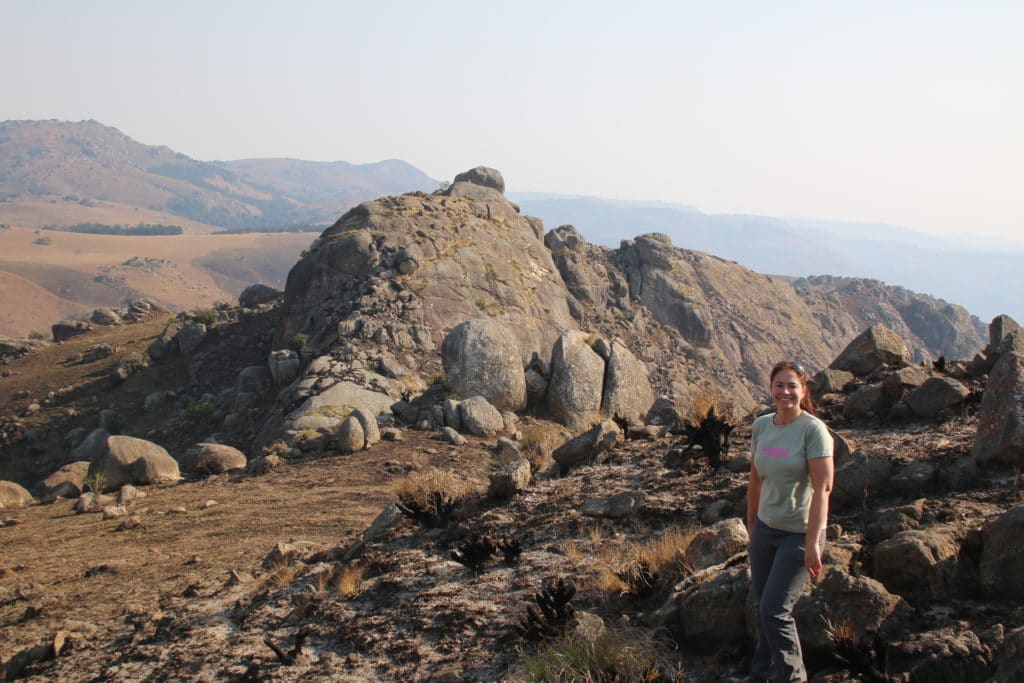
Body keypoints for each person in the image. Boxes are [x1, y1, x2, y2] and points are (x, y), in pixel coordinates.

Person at [746, 361, 834, 682]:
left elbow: (824, 488)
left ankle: (793, 678)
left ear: (803, 391)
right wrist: (752, 523)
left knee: (775, 610)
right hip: (766, 530)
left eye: (792, 386)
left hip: (798, 535)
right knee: (761, 609)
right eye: (779, 385)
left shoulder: (813, 431)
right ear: (771, 389)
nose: (785, 392)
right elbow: (755, 479)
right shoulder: (762, 427)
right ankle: (762, 674)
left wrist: (813, 542)